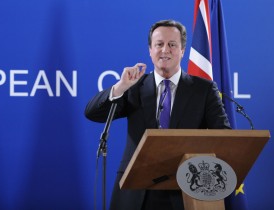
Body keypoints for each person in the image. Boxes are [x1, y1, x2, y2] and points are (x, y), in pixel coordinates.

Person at [84, 19, 231, 210]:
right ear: (150, 50)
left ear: (182, 50)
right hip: (135, 191)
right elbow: (92, 113)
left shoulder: (203, 89)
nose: (165, 50)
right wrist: (120, 87)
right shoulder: (134, 86)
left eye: (172, 45)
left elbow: (223, 136)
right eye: (159, 44)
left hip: (185, 188)